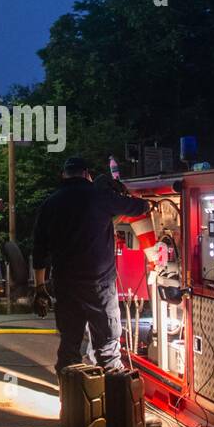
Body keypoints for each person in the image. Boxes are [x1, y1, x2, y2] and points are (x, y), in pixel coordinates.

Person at [32, 156, 152, 375]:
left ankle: (72, 403)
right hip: (100, 287)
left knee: (69, 346)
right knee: (107, 348)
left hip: (66, 286)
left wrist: (40, 289)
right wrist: (129, 195)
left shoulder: (50, 203)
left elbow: (39, 251)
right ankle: (114, 401)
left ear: (63, 175)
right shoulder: (100, 196)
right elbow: (139, 207)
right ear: (88, 174)